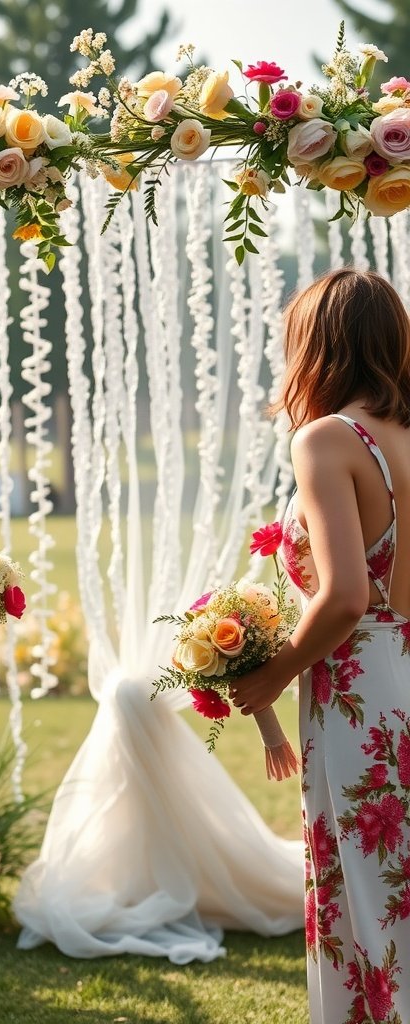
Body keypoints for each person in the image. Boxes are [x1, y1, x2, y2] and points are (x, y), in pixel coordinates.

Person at [230, 268, 410, 1023]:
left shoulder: (329, 439)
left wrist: (272, 675)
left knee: (366, 899)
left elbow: (345, 596)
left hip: (362, 689)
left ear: (318, 346)